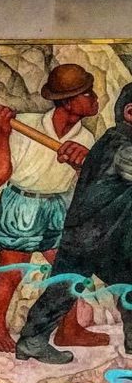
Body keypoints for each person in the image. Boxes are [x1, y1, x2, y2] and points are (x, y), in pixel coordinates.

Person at [0, 64, 108, 353]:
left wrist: (81, 167)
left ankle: (68, 328)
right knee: (12, 270)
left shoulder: (85, 139)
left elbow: (88, 188)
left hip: (58, 205)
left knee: (68, 270)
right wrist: (0, 135)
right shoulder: (23, 125)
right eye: (88, 94)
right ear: (69, 102)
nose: (95, 98)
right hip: (22, 205)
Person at [16, 82, 132, 364]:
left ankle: (32, 340)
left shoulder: (113, 140)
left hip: (99, 234)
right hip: (95, 236)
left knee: (114, 285)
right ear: (130, 112)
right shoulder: (122, 147)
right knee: (66, 287)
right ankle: (32, 341)